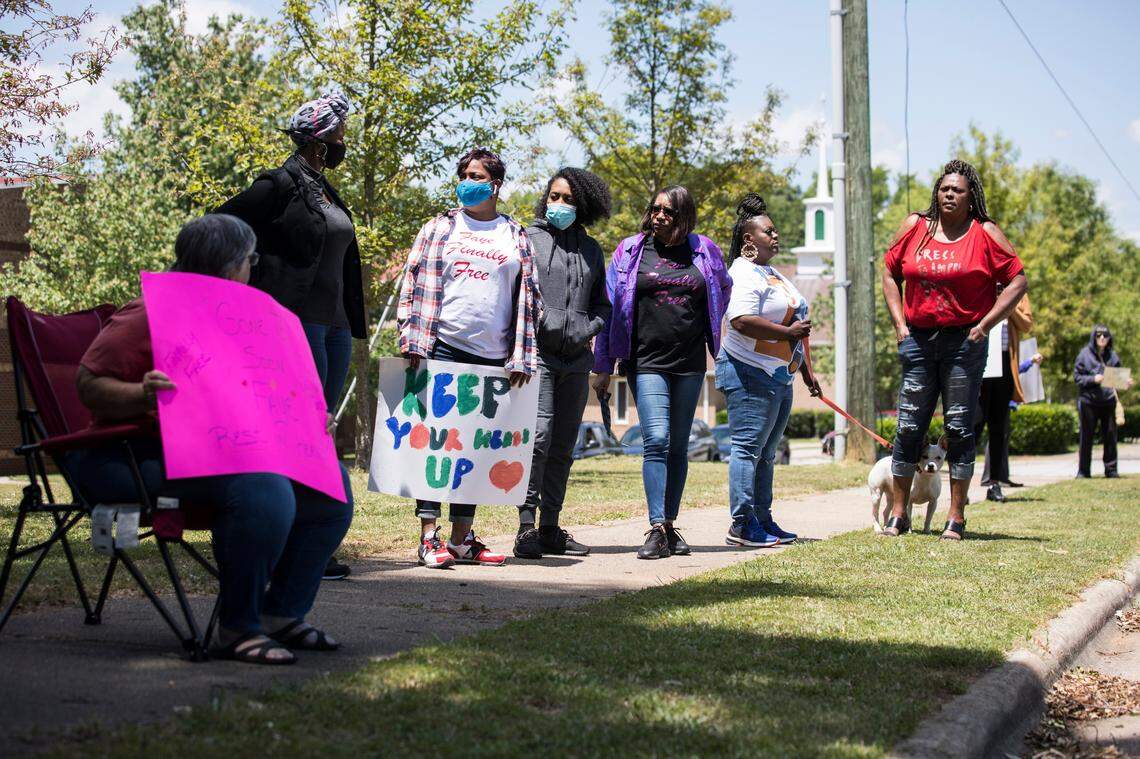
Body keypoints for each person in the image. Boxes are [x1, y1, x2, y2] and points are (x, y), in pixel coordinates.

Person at [71, 215, 353, 665]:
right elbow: (88, 384)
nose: (252, 268)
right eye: (251, 259)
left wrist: (307, 421)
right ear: (229, 264)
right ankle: (237, 628)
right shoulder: (151, 310)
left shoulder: (248, 320)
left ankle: (281, 614)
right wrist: (141, 392)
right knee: (263, 488)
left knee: (330, 489)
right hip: (126, 456)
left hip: (218, 454)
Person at [216, 89, 363, 582]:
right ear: (319, 141)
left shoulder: (325, 190)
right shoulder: (278, 184)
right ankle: (281, 540)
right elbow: (220, 223)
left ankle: (307, 544)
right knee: (299, 426)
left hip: (336, 325)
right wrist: (252, 274)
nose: (346, 142)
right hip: (296, 320)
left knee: (316, 433)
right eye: (340, 135)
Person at [398, 147, 540, 569]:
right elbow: (413, 279)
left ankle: (462, 539)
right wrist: (411, 340)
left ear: (495, 184)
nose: (467, 180)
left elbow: (529, 300)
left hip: (494, 357)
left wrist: (520, 358)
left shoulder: (514, 235)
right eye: (463, 174)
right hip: (441, 345)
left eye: (476, 174)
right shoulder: (440, 227)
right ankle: (429, 537)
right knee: (437, 445)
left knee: (473, 450)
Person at [881, 159, 1028, 540]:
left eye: (958, 190)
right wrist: (900, 326)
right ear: (937, 192)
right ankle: (899, 514)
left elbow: (1017, 281)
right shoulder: (916, 227)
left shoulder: (985, 233)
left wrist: (985, 325)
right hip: (918, 339)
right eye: (944, 188)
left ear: (970, 196)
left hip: (964, 343)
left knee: (960, 427)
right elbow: (889, 271)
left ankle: (956, 517)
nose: (949, 194)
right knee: (909, 426)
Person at [592, 185, 731, 559]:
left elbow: (723, 289)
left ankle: (670, 525)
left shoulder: (704, 250)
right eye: (655, 209)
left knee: (679, 445)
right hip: (644, 360)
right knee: (657, 438)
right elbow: (609, 306)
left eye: (668, 211)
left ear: (684, 216)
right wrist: (603, 365)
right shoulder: (630, 251)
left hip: (688, 363)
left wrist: (715, 333)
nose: (659, 216)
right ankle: (655, 527)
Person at [513, 168, 612, 560]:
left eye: (568, 199)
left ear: (582, 205)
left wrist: (592, 325)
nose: (558, 205)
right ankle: (526, 528)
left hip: (576, 360)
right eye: (553, 197)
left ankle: (551, 527)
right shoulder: (529, 239)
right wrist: (539, 323)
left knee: (563, 444)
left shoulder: (592, 250)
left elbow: (603, 301)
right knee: (538, 439)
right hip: (537, 354)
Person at [715, 195, 821, 549]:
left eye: (775, 231)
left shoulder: (772, 274)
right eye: (768, 232)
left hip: (780, 374)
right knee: (747, 449)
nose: (775, 237)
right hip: (748, 371)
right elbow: (741, 320)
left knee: (767, 451)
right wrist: (787, 335)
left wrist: (805, 371)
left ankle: (763, 517)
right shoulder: (742, 273)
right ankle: (742, 524)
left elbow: (796, 322)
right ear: (749, 240)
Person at [974, 292, 1034, 502]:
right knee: (974, 426)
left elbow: (1027, 325)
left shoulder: (1018, 293)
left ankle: (994, 484)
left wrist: (1008, 306)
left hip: (1005, 366)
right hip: (980, 364)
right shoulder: (978, 285)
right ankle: (960, 487)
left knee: (998, 429)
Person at [1074, 325, 1131, 478]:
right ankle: (1083, 471)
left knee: (1110, 437)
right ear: (1093, 337)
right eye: (1098, 335)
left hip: (1108, 401)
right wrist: (1093, 379)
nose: (1102, 338)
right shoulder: (1084, 355)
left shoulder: (1112, 356)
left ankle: (1111, 470)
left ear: (1109, 338)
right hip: (1089, 402)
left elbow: (1117, 378)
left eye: (1105, 336)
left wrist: (1125, 382)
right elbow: (1077, 378)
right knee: (1086, 437)